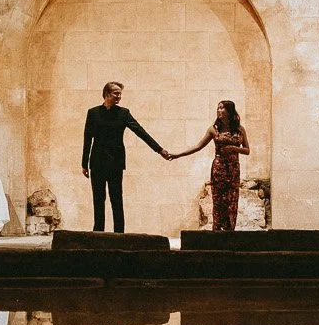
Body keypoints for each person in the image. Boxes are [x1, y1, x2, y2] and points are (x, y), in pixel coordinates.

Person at [80, 81, 168, 233]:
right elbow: (88, 138)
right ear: (107, 94)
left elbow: (141, 132)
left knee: (116, 199)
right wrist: (84, 163)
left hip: (115, 162)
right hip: (97, 162)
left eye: (120, 94)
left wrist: (159, 149)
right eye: (116, 93)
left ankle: (119, 235)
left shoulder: (123, 113)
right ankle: (98, 234)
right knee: (98, 200)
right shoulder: (93, 113)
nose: (119, 96)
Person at [170, 100, 250, 232]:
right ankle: (217, 233)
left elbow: (247, 150)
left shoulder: (240, 129)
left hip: (233, 170)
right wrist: (178, 155)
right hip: (219, 169)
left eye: (222, 108)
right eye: (218, 108)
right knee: (219, 202)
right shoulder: (214, 129)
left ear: (229, 111)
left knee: (232, 201)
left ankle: (230, 233)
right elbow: (198, 146)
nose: (219, 111)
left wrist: (233, 149)